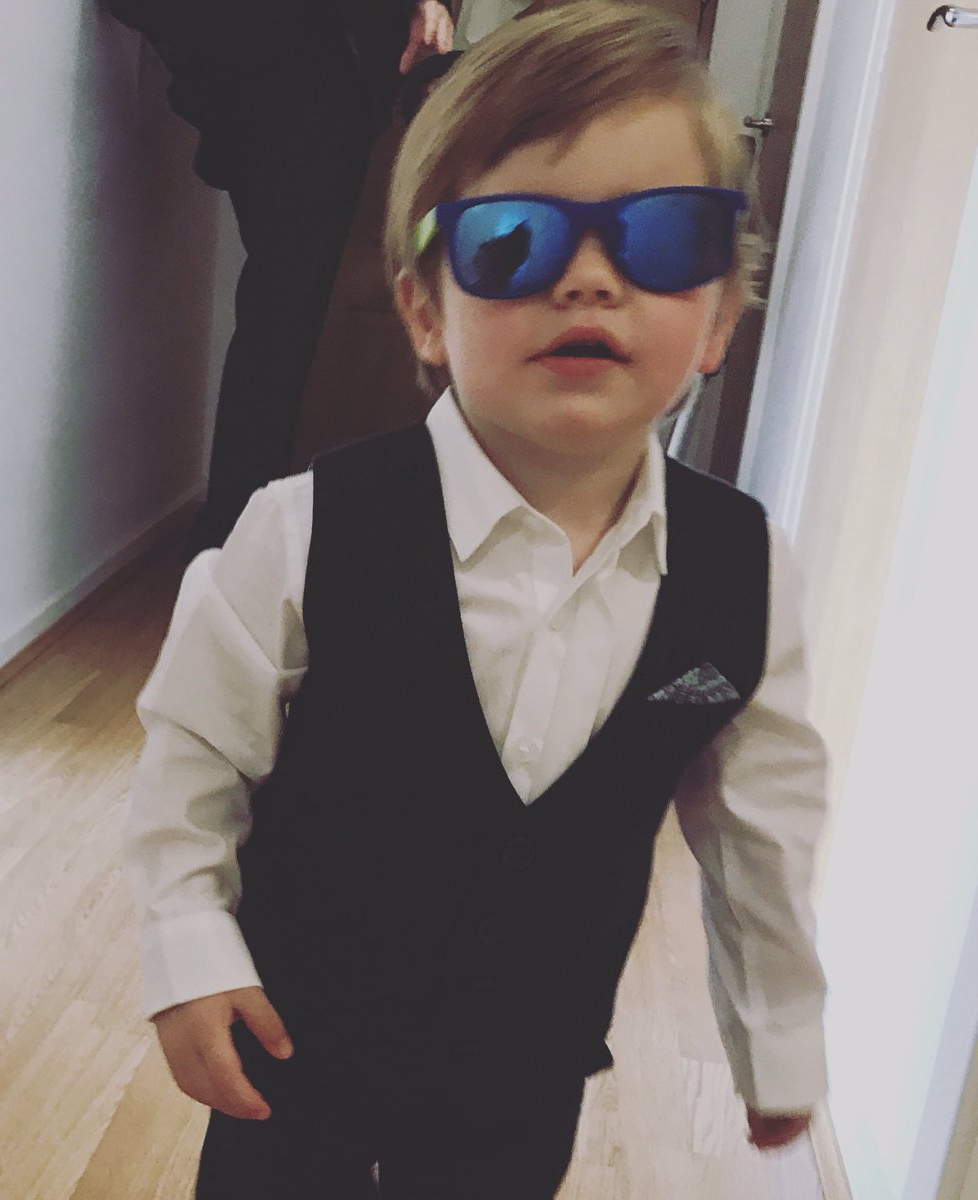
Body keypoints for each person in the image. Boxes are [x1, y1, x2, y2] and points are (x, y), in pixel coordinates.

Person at [122, 3, 831, 1196]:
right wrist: (188, 949)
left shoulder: (743, 570)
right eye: (514, 241)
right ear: (424, 311)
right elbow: (192, 759)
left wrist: (779, 1038)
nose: (591, 279)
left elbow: (762, 828)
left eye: (663, 238)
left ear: (717, 315)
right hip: (290, 1068)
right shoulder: (300, 531)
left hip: (523, 1092)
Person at [106, 0, 454, 555]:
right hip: (295, 66)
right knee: (283, 313)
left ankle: (236, 534)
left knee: (284, 311)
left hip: (314, 66)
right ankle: (235, 539)